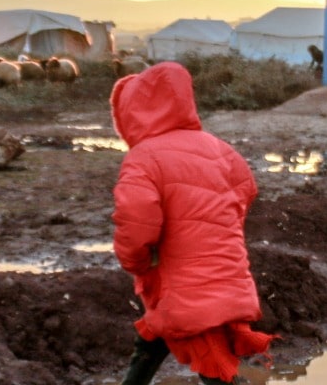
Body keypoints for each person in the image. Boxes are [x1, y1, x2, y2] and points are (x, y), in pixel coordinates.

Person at [111, 62, 273, 385]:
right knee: (156, 335)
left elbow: (136, 223)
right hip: (225, 274)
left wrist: (138, 263)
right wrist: (219, 228)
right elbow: (245, 189)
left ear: (132, 112)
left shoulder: (143, 157)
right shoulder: (219, 149)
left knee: (214, 366)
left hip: (184, 286)